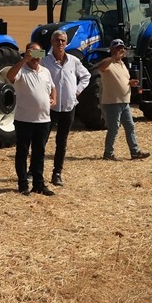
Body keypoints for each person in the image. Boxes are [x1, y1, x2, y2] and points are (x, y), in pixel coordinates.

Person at [41, 30, 91, 186]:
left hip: (69, 107)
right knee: (41, 141)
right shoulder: (44, 61)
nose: (60, 43)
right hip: (51, 107)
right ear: (52, 42)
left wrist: (77, 91)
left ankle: (57, 173)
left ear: (66, 43)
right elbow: (32, 68)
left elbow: (86, 76)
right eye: (57, 40)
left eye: (63, 40)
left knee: (61, 142)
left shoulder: (73, 61)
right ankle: (35, 171)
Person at [8, 42, 57, 196]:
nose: (35, 58)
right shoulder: (21, 70)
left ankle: (38, 184)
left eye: (38, 54)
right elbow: (10, 76)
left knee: (39, 153)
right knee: (22, 152)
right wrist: (24, 59)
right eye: (32, 54)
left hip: (43, 120)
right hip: (24, 120)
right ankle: (23, 184)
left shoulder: (45, 71)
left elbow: (53, 87)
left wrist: (53, 98)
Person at [98, 39, 151, 161]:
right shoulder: (108, 63)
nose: (120, 50)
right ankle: (108, 153)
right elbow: (100, 67)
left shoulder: (123, 65)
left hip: (124, 102)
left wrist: (129, 83)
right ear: (111, 50)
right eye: (117, 48)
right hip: (112, 102)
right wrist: (113, 57)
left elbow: (120, 80)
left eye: (122, 48)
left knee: (130, 126)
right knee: (114, 128)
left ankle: (135, 152)